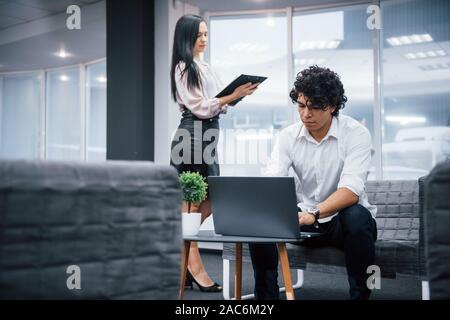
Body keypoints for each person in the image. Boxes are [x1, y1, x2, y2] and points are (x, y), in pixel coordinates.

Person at [249, 65, 378, 300]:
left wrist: (315, 213)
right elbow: (273, 180)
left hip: (344, 224)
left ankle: (361, 296)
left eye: (314, 107)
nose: (305, 114)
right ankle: (265, 300)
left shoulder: (356, 133)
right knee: (262, 220)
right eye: (301, 105)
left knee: (356, 215)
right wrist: (270, 209)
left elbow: (351, 191)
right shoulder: (288, 136)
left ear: (332, 106)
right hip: (306, 220)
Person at [169, 14, 259, 292]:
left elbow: (217, 104)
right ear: (187, 37)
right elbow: (200, 106)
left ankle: (183, 263)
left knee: (208, 201)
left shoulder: (204, 66)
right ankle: (194, 267)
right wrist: (231, 96)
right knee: (191, 207)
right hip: (192, 136)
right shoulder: (184, 67)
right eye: (199, 35)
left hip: (208, 136)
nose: (204, 39)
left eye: (206, 34)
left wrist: (236, 94)